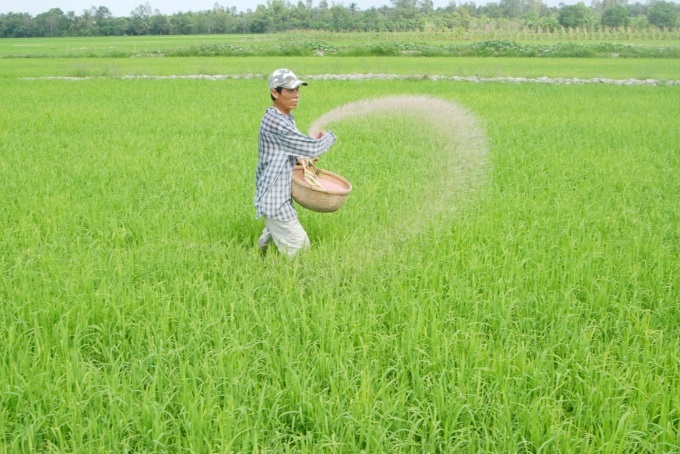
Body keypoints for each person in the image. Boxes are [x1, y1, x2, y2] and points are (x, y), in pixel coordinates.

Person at [255, 69, 336, 257]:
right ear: (275, 93)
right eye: (290, 90)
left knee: (274, 239)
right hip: (274, 197)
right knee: (300, 248)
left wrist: (304, 160)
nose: (296, 94)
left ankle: (260, 259)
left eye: (297, 89)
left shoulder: (285, 118)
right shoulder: (276, 122)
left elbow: (294, 150)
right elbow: (311, 148)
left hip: (278, 192)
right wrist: (328, 136)